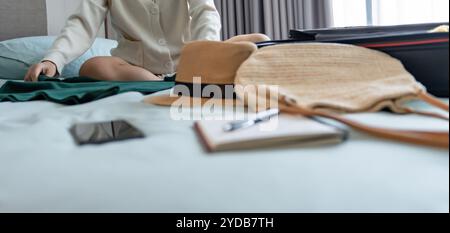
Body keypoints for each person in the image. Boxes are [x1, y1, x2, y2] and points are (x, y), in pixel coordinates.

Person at [24, 0, 269, 82]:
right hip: (137, 67)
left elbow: (205, 13)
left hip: (193, 59)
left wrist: (207, 53)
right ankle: (161, 83)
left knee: (260, 41)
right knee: (93, 66)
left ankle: (210, 61)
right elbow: (82, 24)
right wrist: (53, 59)